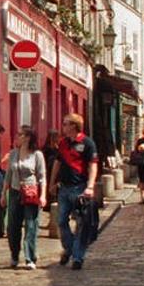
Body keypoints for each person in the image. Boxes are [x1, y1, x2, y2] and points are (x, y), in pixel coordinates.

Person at [48, 113, 99, 270]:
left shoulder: (87, 143)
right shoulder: (63, 143)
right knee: (61, 221)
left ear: (74, 126)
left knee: (81, 224)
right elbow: (57, 163)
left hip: (80, 188)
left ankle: (77, 257)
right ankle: (69, 248)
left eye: (65, 124)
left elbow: (92, 165)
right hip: (64, 188)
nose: (63, 127)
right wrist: (52, 183)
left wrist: (90, 186)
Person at [0, 126, 47, 269]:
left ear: (27, 137)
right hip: (14, 192)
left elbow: (42, 176)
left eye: (20, 134)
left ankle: (29, 258)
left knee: (31, 225)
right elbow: (8, 175)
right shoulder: (13, 154)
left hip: (31, 192)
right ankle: (14, 255)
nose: (16, 136)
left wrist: (43, 195)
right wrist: (3, 193)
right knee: (12, 226)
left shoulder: (37, 155)